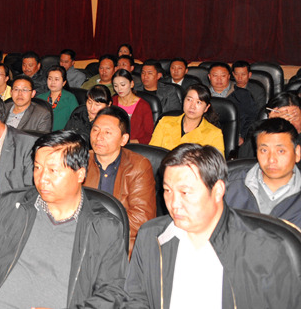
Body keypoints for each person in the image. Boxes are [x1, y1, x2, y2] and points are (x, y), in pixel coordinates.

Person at [0, 131, 127, 309]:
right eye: (37, 168)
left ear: (80, 174)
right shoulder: (13, 205)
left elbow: (112, 293)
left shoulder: (104, 227)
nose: (42, 178)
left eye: (53, 170)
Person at [124, 143, 301, 308]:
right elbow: (135, 300)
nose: (174, 203)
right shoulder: (151, 237)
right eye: (167, 190)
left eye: (185, 192)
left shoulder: (264, 249)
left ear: (217, 191)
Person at [85, 106, 156, 253]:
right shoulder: (81, 160)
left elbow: (142, 218)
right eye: (95, 130)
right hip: (83, 239)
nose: (99, 137)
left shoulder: (139, 166)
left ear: (123, 139)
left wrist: (97, 230)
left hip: (120, 245)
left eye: (108, 132)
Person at [225, 117, 301, 226]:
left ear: (297, 153)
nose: (271, 159)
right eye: (264, 150)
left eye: (280, 151)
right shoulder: (229, 185)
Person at [149, 84, 224, 154]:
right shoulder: (164, 122)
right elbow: (152, 154)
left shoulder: (214, 134)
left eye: (198, 102)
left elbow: (216, 163)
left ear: (206, 108)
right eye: (189, 100)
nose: (192, 106)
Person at [208, 62, 258, 144]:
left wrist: (243, 136)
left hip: (236, 137)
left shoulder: (243, 94)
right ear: (209, 76)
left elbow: (252, 118)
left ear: (229, 76)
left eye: (223, 76)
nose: (219, 79)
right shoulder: (201, 95)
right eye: (215, 75)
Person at [112, 70, 154, 143]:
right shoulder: (112, 102)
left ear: (131, 84)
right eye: (116, 86)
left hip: (135, 146)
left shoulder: (144, 106)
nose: (119, 89)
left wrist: (129, 142)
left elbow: (149, 135)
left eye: (123, 85)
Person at [37, 65, 78, 131]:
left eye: (56, 79)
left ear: (64, 83)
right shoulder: (40, 98)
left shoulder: (70, 98)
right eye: (50, 79)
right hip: (42, 133)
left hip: (62, 135)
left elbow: (76, 120)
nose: (52, 82)